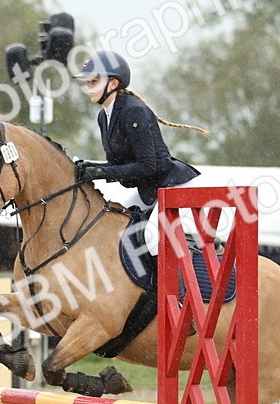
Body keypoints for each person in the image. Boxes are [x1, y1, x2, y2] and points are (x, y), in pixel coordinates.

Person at [73, 51, 205, 254]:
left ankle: (175, 286)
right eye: (88, 81)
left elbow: (147, 166)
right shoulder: (104, 117)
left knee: (152, 241)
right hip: (150, 190)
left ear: (113, 84)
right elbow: (118, 166)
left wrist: (100, 173)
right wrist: (91, 167)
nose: (88, 86)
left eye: (94, 81)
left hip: (173, 186)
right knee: (111, 225)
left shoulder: (134, 110)